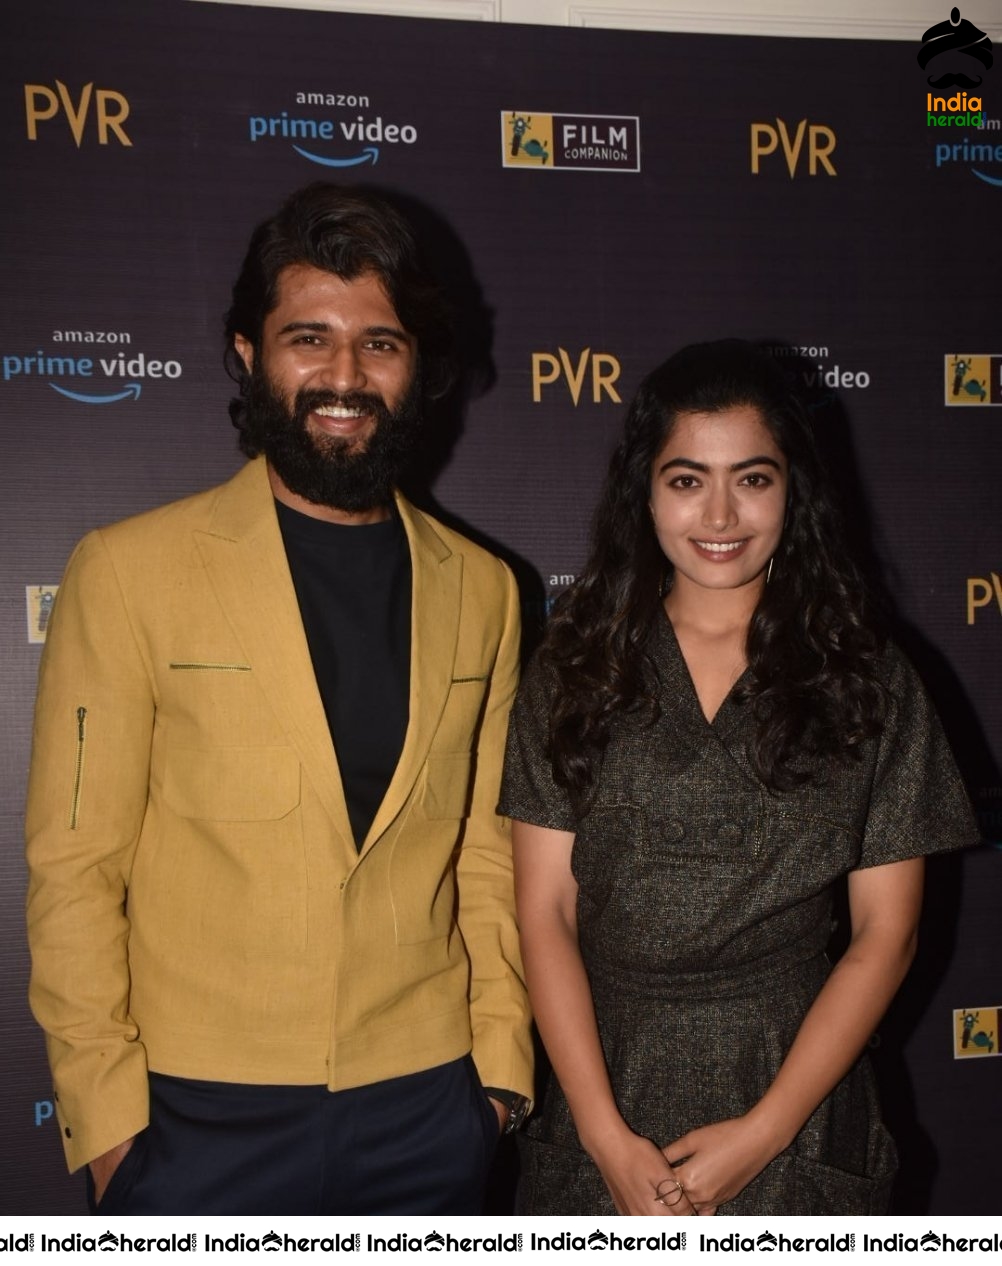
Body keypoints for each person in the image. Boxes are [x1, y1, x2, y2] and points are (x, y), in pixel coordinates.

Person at [25, 183, 532, 1215]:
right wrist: (115, 1129)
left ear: (418, 365)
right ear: (250, 355)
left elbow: (486, 852)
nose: (344, 375)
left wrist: (498, 1081)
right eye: (309, 337)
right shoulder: (127, 570)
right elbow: (74, 867)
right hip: (195, 1120)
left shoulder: (484, 587)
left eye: (380, 343)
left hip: (428, 1106)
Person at [499, 340, 979, 1216]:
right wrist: (606, 1141)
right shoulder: (574, 669)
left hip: (798, 1093)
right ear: (643, 492)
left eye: (752, 478)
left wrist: (766, 1130)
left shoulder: (868, 676)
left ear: (793, 491)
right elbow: (545, 911)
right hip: (605, 1086)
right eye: (687, 479)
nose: (720, 513)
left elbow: (886, 935)